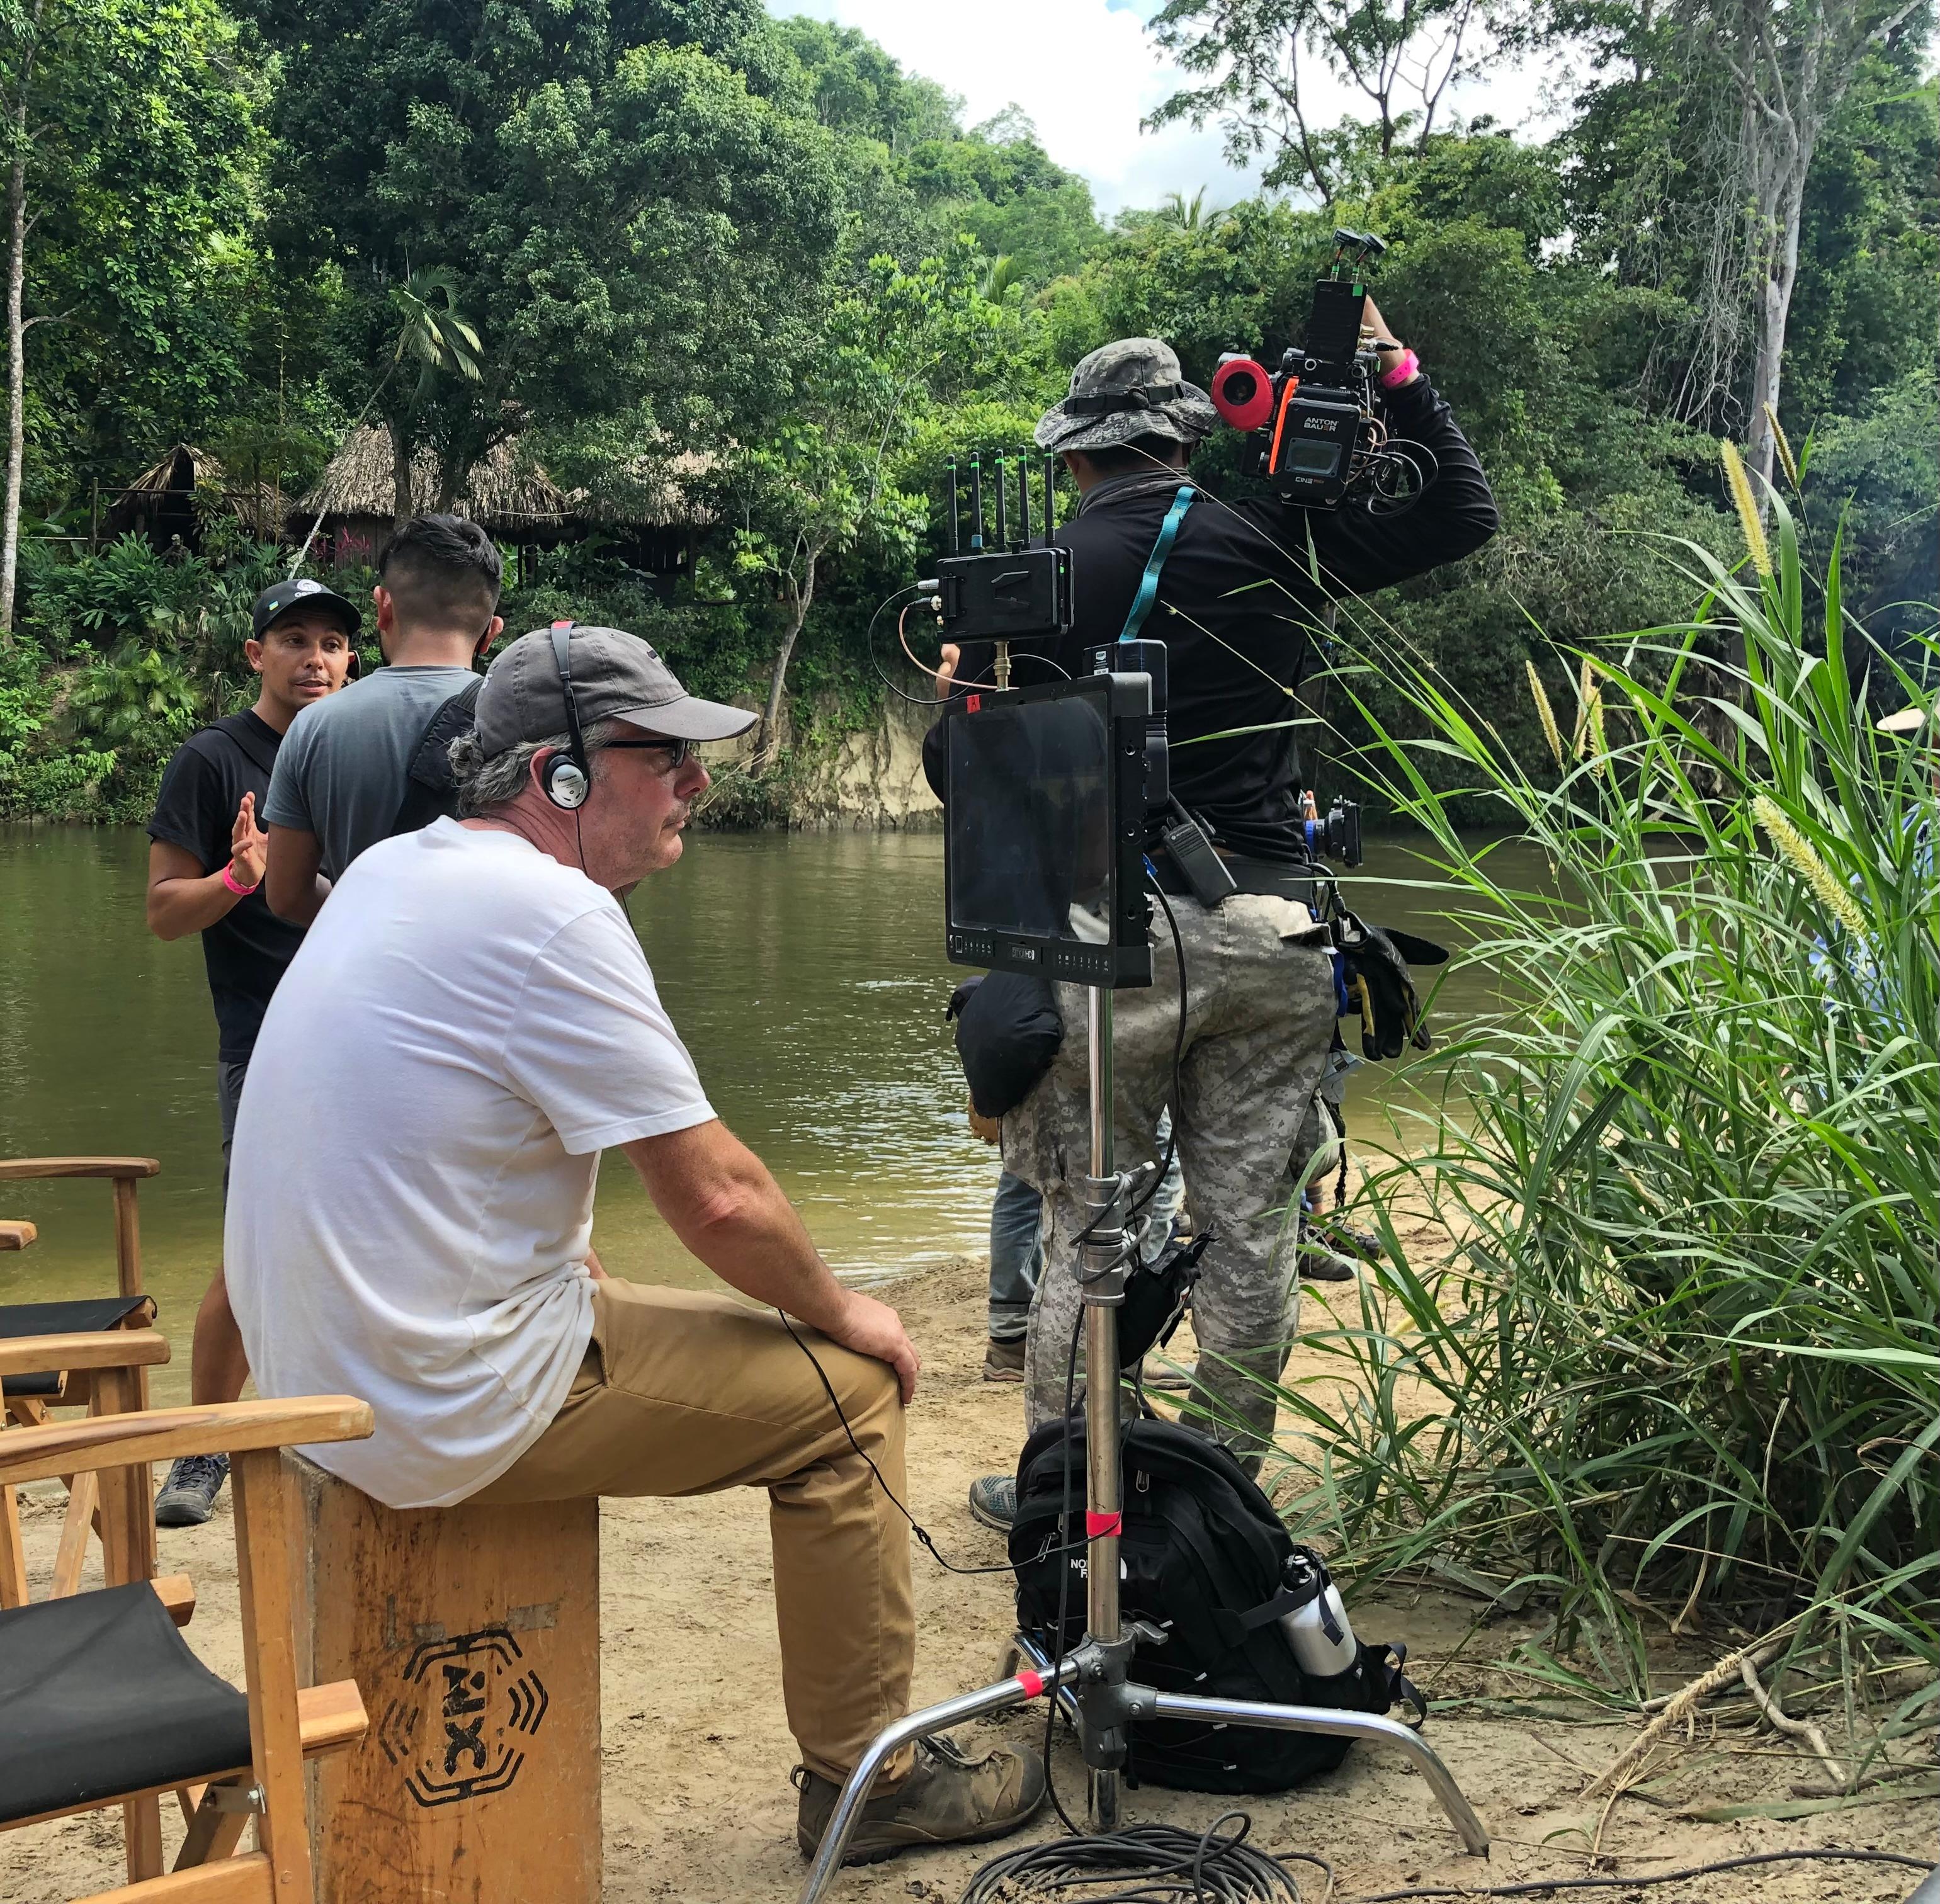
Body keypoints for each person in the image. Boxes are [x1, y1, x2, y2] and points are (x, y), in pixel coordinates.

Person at [225, 623, 1047, 1865]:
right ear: (563, 773)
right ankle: (869, 1787)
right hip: (430, 1399)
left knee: (686, 1310)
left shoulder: (402, 868)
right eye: (664, 758)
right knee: (850, 1397)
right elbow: (717, 1197)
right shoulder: (552, 912)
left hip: (315, 1384)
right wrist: (849, 1313)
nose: (696, 787)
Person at [927, 319, 1498, 1526]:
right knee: (1251, 1228)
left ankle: (1067, 1492)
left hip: (1113, 938)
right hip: (1278, 927)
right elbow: (1462, 514)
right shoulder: (1273, 540)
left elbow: (965, 776)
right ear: (1186, 434)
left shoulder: (1034, 574)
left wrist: (957, 700)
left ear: (1078, 456)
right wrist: (1398, 367)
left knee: (1092, 1219)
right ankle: (1221, 1483)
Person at [142, 577, 358, 1524]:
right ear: (255, 654)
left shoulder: (362, 752)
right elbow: (161, 914)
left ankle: (360, 1421)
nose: (316, 658)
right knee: (249, 1247)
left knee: (382, 1232)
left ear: (357, 658)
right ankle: (203, 1449)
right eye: (295, 640)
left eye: (333, 643)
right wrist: (240, 873)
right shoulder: (213, 759)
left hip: (376, 1032)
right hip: (268, 1039)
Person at [263, 512, 503, 924]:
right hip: (490, 982)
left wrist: (372, 908)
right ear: (491, 632)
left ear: (383, 606)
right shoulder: (526, 722)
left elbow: (287, 897)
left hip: (368, 981)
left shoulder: (313, 727)